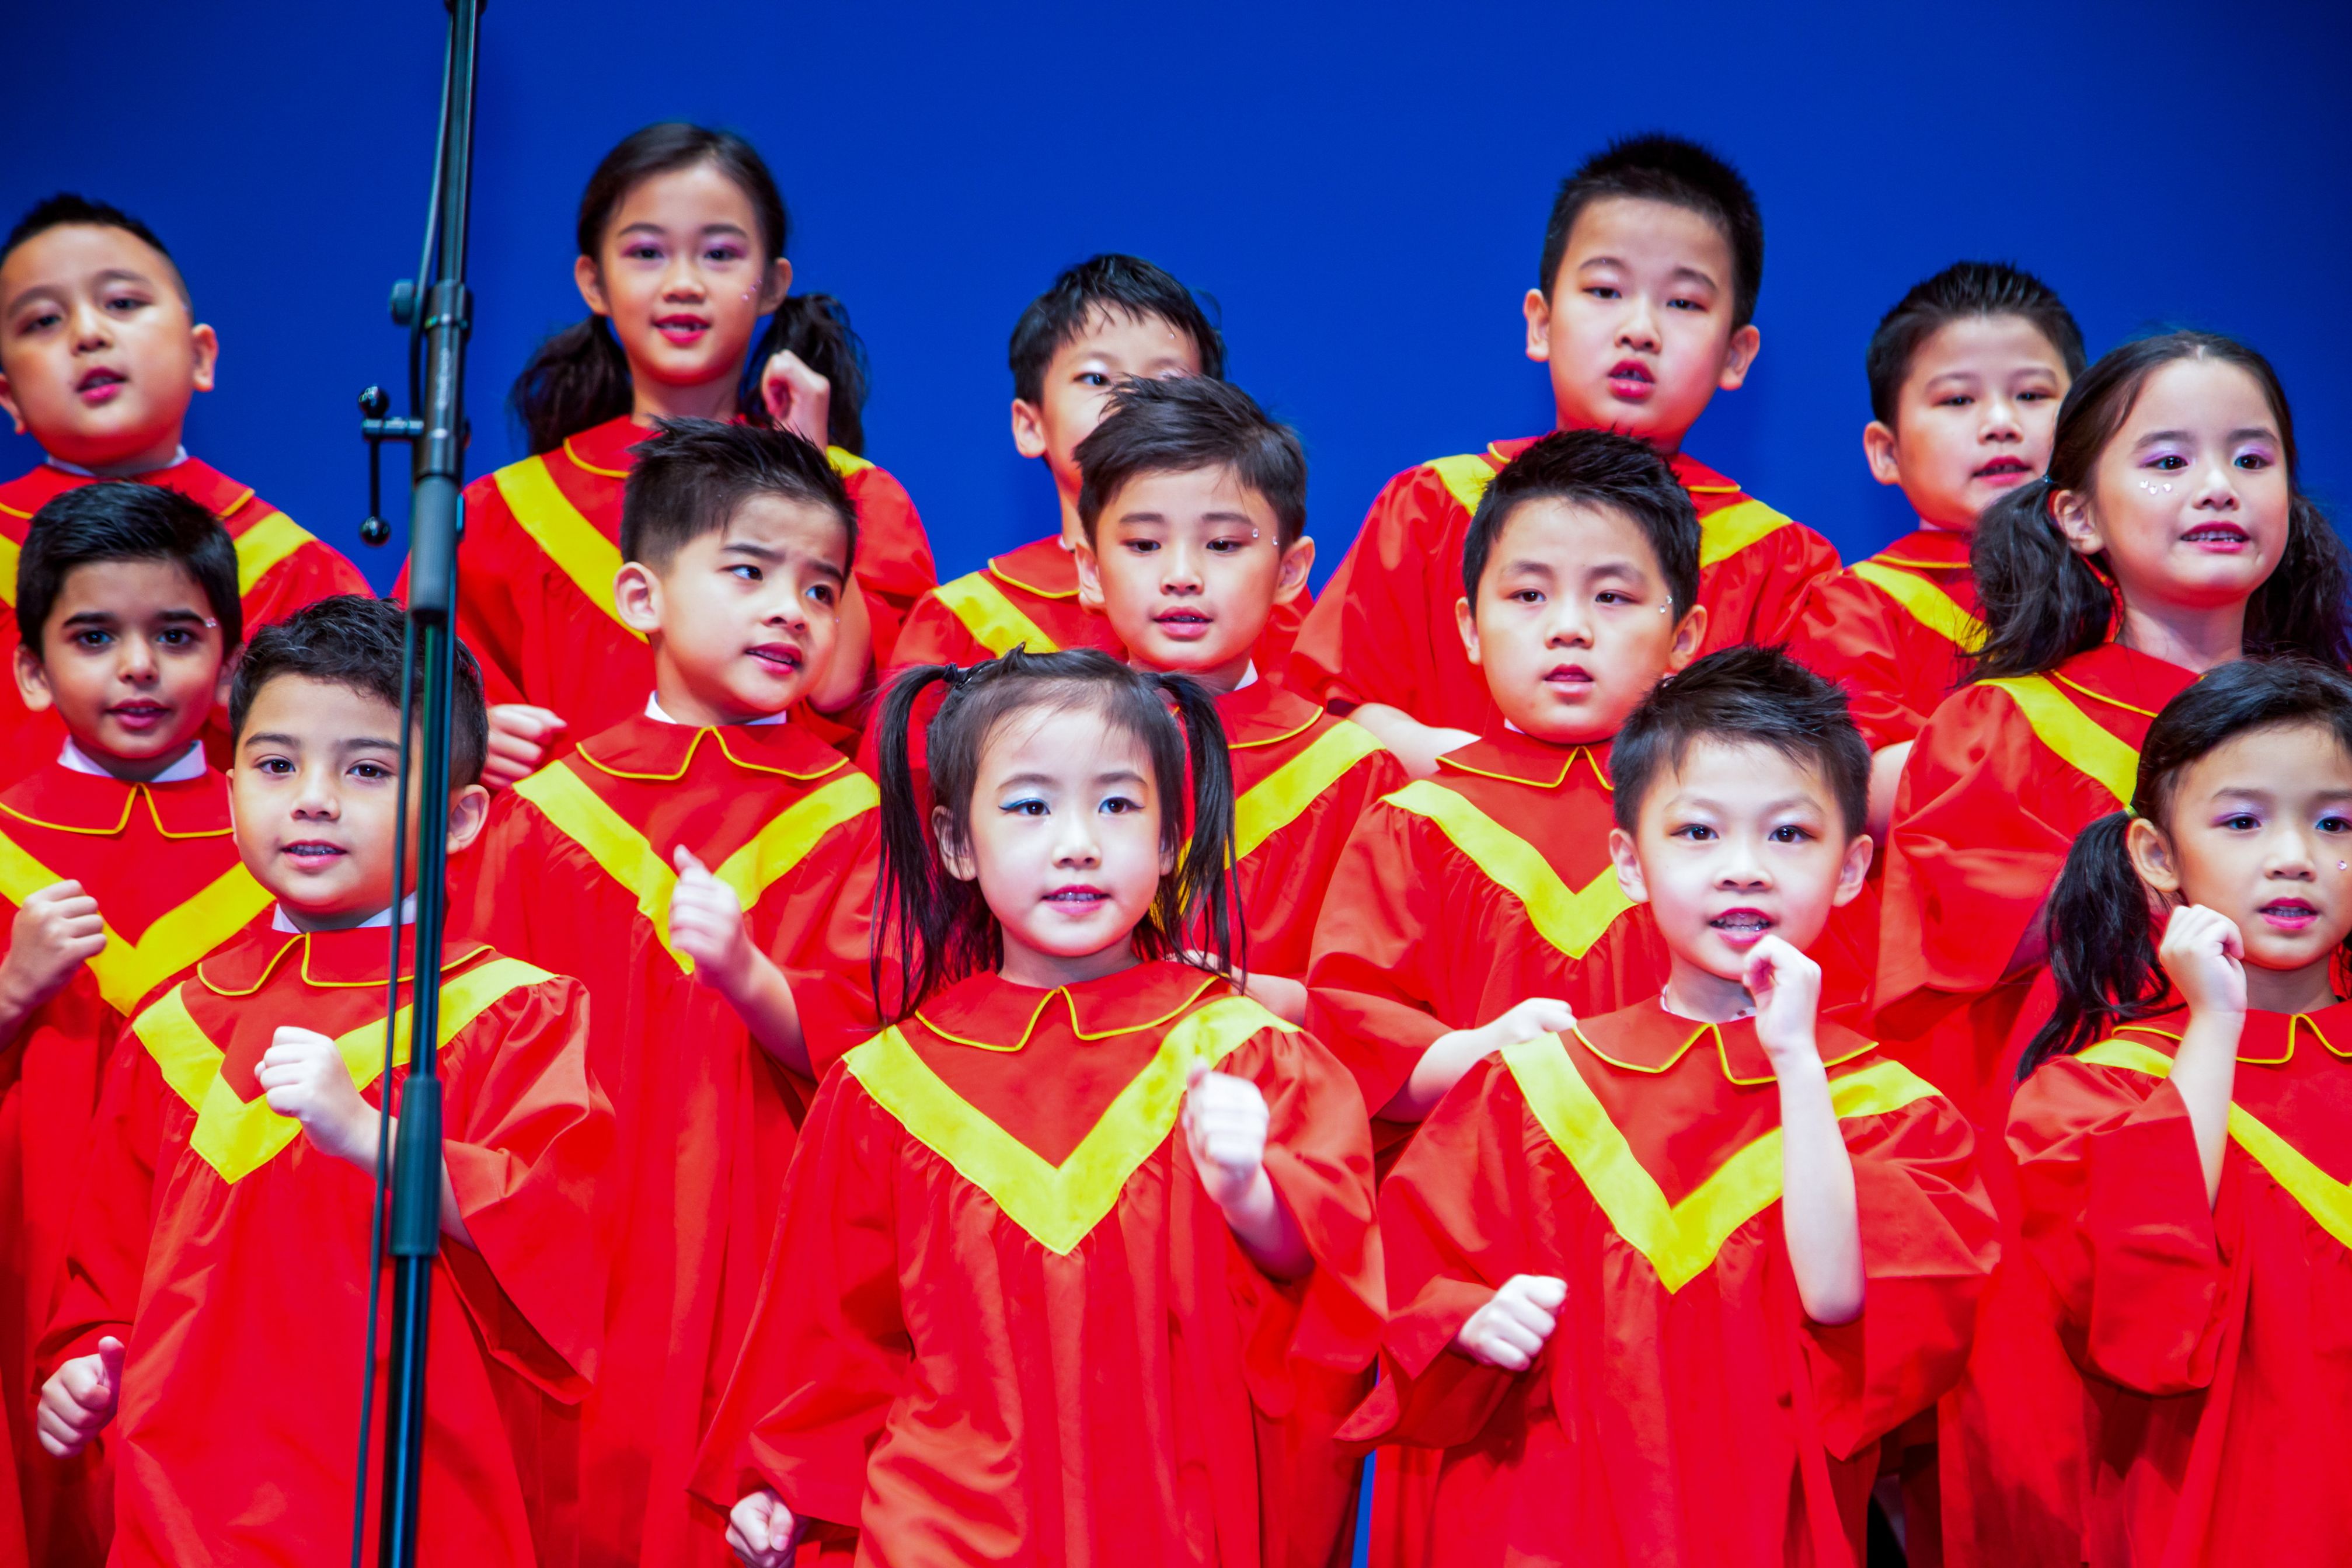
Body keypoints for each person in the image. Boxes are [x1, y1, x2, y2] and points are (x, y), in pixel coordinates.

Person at [691, 649, 1380, 1567]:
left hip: (1166, 1522)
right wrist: (782, 1494)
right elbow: (837, 1341)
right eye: (1029, 806)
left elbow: (1323, 1294)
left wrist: (1252, 1190)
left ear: (1171, 838)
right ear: (955, 843)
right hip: (945, 1523)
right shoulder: (888, 1086)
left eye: (1118, 804)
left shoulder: (1248, 1057)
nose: (1077, 842)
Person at [1343, 646, 1995, 1567]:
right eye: (1697, 833)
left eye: (1789, 834)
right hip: (1545, 1524)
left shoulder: (1893, 1113)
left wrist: (1797, 1060)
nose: (1743, 869)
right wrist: (1469, 1317)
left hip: (1763, 1527)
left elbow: (1840, 1296)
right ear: (1629, 863)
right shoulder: (1532, 1086)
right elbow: (1411, 1279)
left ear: (1853, 868)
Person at [1876, 330, 2352, 1567]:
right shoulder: (2000, 727)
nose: (2216, 486)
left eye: (2250, 457)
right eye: (2168, 459)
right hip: (2089, 1232)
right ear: (2075, 514)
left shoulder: (2328, 737)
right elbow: (1949, 991)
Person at [34, 595, 612, 1566]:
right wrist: (83, 1369)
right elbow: (107, 1277)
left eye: (367, 770)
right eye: (276, 765)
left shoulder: (510, 1011)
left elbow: (558, 1233)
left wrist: (373, 1137)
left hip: (406, 1489)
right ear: (229, 792)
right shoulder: (176, 1027)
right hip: (187, 1501)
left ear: (461, 816)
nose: (313, 798)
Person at [461, 419, 879, 1568]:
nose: (790, 610)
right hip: (577, 1252)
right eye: (748, 572)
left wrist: (750, 977)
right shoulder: (543, 819)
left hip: (764, 1257)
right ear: (640, 595)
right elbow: (478, 1060)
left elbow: (873, 1054)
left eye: (820, 588)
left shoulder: (852, 819)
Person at [1287, 135, 1840, 776]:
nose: (1640, 329)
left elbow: (1809, 778)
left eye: (1684, 302)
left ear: (1736, 354)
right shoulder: (1431, 509)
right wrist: (1496, 781)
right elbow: (1329, 714)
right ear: (1541, 323)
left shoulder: (1782, 566)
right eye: (1605, 290)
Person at [411, 123, 935, 786]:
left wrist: (808, 466)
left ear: (773, 284)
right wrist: (461, 742)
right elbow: (406, 698)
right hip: (568, 845)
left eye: (719, 254)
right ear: (593, 281)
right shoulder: (502, 513)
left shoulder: (861, 495)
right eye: (647, 253)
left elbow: (845, 692)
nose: (683, 282)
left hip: (795, 847)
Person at [2008, 657, 2352, 1567]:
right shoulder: (2094, 1095)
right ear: (2157, 854)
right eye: (2242, 821)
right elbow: (2146, 1323)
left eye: (2335, 822)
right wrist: (2215, 1024)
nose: (2294, 856)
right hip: (2224, 1516)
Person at [1306, 427, 1703, 1168]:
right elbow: (1352, 1029)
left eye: (1612, 596)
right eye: (1528, 595)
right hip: (1474, 1195)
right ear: (1470, 628)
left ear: (1684, 637)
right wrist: (1472, 1052)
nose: (1569, 628)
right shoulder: (1416, 824)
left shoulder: (1716, 824)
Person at [0, 483, 267, 1567]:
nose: (140, 667)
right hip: (21, 1242)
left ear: (232, 661)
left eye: (177, 635)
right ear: (30, 670)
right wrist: (12, 991)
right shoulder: (7, 835)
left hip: (219, 1254)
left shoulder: (281, 841)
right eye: (95, 637)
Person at [0, 194, 370, 784]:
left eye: (122, 303)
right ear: (9, 396)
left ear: (201, 356)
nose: (87, 334)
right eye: (43, 320)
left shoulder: (290, 566)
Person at [1072, 375, 1402, 1019]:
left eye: (1223, 545)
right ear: (1090, 569)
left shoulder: (1352, 773)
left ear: (1290, 571)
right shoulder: (1037, 746)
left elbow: (1378, 1004)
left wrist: (1259, 997)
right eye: (1143, 545)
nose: (1182, 576)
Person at [891, 255, 1308, 673]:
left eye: (1168, 381)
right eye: (1096, 379)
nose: (1130, 398)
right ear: (1030, 425)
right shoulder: (965, 621)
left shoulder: (1271, 606)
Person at [1786, 261, 2086, 838]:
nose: (2000, 423)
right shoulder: (1857, 608)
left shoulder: (2130, 586)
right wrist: (2046, 749)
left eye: (2031, 394)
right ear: (1887, 452)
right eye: (1957, 400)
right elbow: (1841, 791)